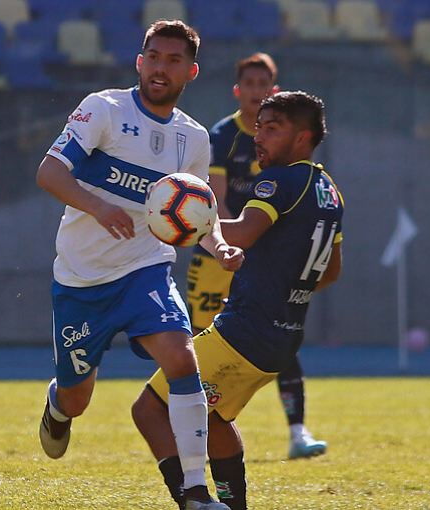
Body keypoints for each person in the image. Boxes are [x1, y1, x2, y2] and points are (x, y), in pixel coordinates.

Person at [35, 19, 244, 510]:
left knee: (181, 357)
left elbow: (198, 216)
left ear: (190, 72)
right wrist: (99, 207)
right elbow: (49, 172)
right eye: (154, 57)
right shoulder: (102, 109)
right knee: (77, 398)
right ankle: (57, 407)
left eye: (173, 61)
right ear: (139, 61)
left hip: (145, 269)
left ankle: (195, 492)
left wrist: (219, 247)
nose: (160, 68)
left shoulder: (192, 139)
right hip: (81, 280)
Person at [133, 91, 344, 510]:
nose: (258, 137)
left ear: (302, 138)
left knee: (149, 410)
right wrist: (287, 293)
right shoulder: (328, 190)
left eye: (272, 128)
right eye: (258, 127)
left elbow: (242, 234)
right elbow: (332, 271)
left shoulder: (278, 181)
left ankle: (191, 501)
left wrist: (180, 219)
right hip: (284, 338)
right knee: (212, 417)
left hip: (244, 331)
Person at [185, 53, 327, 460]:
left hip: (264, 258)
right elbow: (216, 199)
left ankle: (297, 431)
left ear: (275, 90)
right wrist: (228, 244)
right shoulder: (223, 135)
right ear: (237, 90)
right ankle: (198, 428)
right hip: (222, 251)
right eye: (248, 83)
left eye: (263, 83)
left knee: (280, 339)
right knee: (199, 344)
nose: (255, 91)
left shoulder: (287, 145)